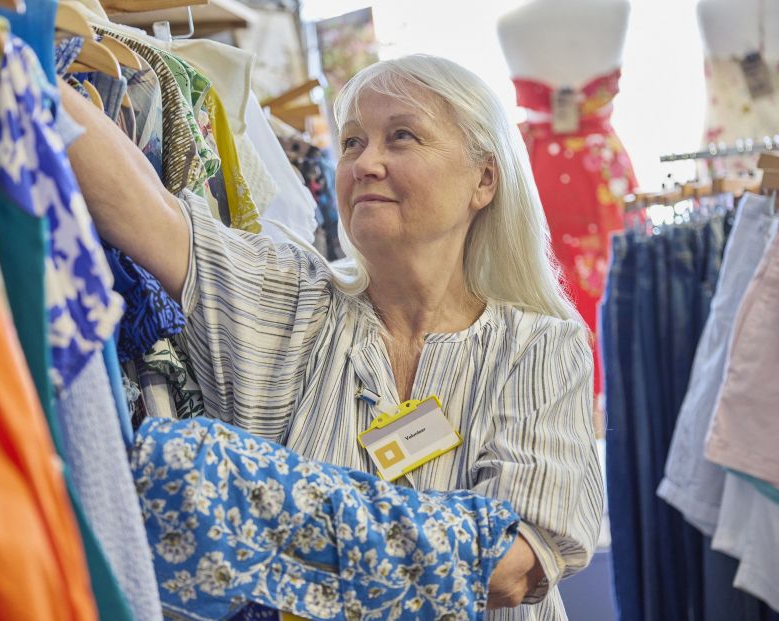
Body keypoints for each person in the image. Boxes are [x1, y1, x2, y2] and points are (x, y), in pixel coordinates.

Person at [61, 53, 603, 619]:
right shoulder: (296, 303)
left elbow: (509, 568)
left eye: (401, 137)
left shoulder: (540, 347)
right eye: (350, 143)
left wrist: (230, 482)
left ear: (483, 179)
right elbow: (144, 212)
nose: (365, 163)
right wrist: (14, 50)